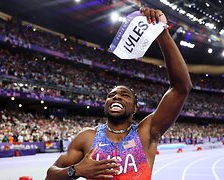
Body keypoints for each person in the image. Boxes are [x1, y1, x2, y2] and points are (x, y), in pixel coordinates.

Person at [46, 7, 192, 180]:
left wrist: (162, 32)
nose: (116, 97)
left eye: (124, 95)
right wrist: (76, 170)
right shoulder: (87, 137)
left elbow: (181, 88)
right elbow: (50, 175)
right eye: (111, 95)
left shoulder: (146, 133)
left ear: (135, 108)